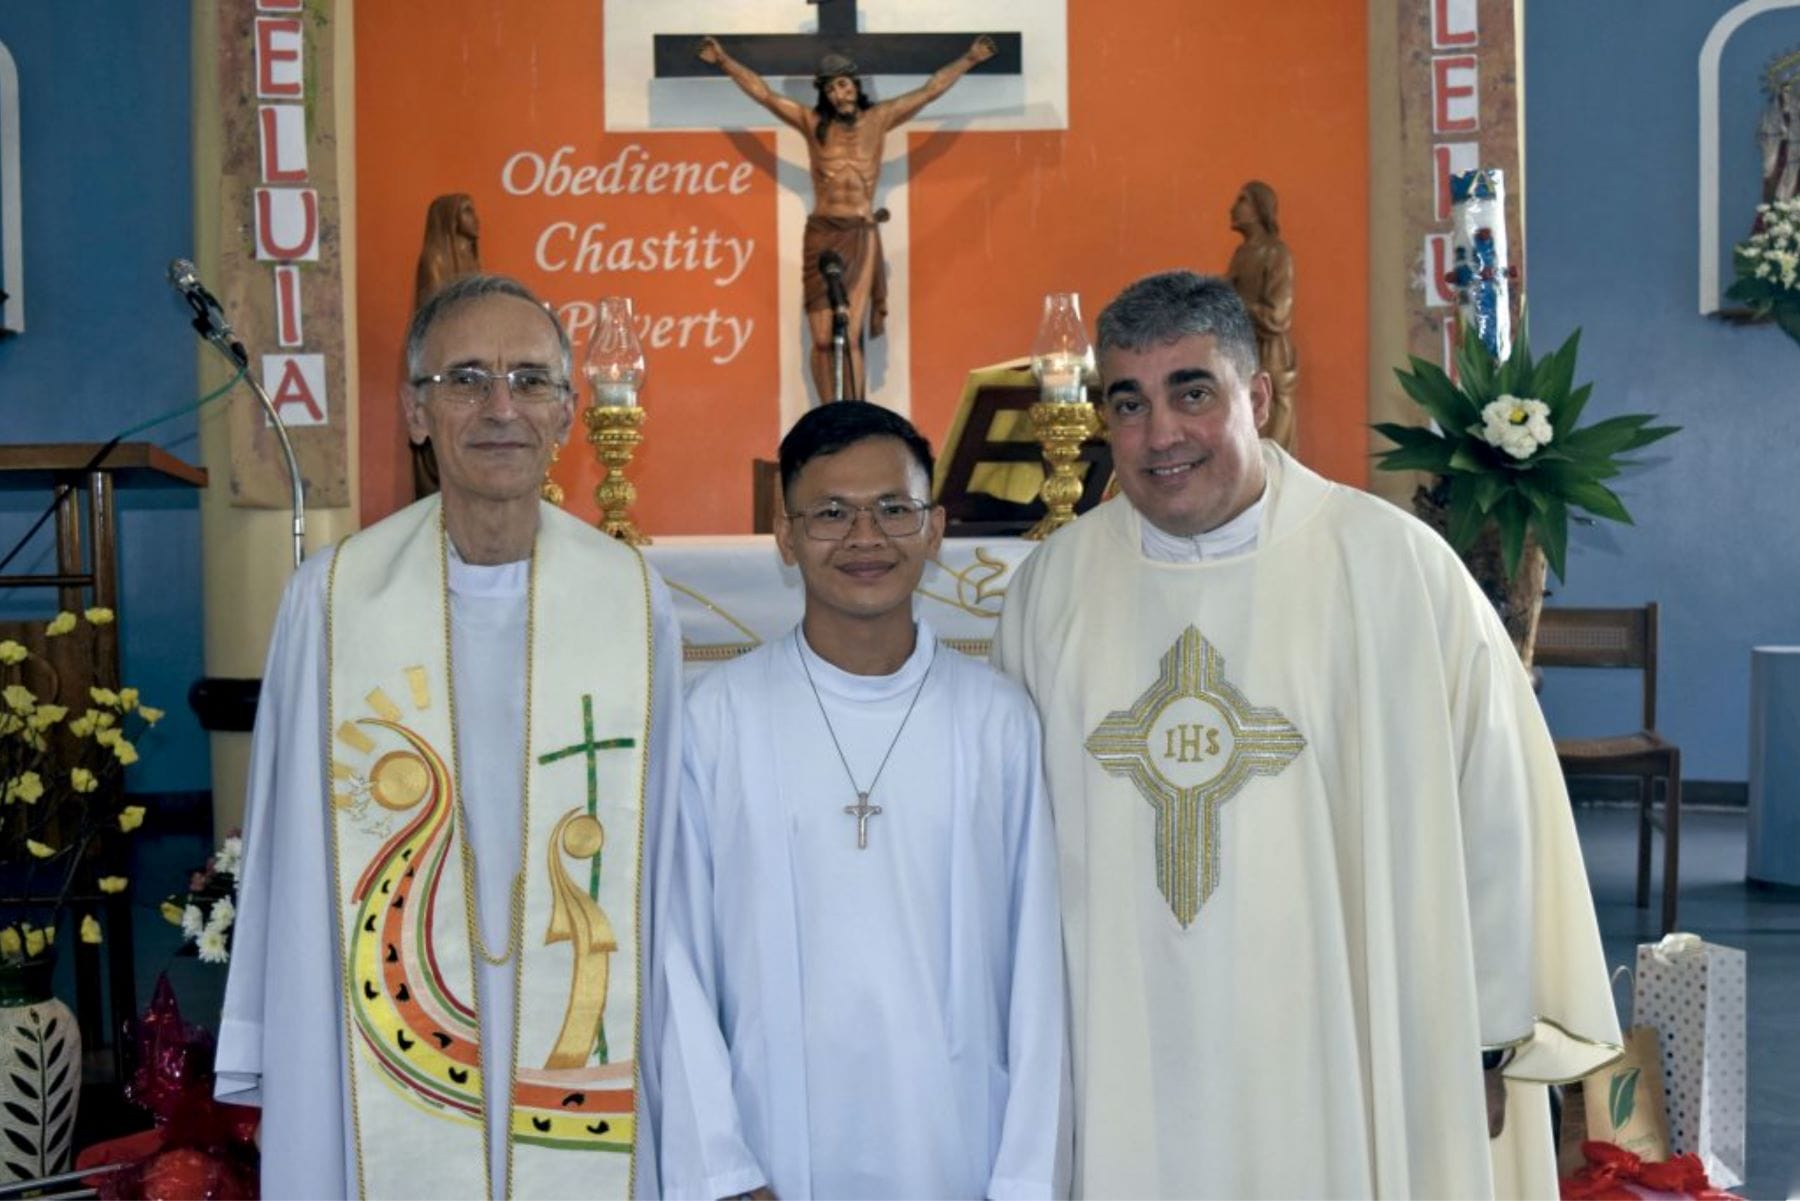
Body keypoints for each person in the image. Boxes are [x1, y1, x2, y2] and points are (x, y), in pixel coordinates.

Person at [992, 270, 1621, 1198]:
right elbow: (1005, 838)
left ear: (1258, 396)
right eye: (1129, 402)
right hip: (1119, 1037)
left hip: (1345, 1034)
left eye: (1192, 393)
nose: (1161, 434)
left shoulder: (1392, 569)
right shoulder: (1051, 590)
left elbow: (1493, 802)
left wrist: (1488, 1031)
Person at [216, 274, 683, 1200]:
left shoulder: (631, 600)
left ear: (568, 413)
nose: (500, 407)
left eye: (531, 380)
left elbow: (665, 849)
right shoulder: (333, 598)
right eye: (466, 378)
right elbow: (283, 842)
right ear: (416, 412)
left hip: (582, 1002)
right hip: (382, 1011)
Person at [658, 401, 1066, 1200]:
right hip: (770, 1146)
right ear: (785, 533)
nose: (865, 539)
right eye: (832, 513)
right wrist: (725, 1168)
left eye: (893, 509)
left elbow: (1040, 977)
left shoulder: (997, 722)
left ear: (935, 525)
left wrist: (1024, 1178)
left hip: (960, 1145)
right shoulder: (719, 719)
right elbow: (678, 963)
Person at [698, 35, 995, 403]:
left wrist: (969, 58)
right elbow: (764, 95)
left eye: (844, 84)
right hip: (822, 234)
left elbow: (930, 91)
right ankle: (828, 413)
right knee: (823, 339)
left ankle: (851, 414)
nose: (840, 94)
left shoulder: (880, 118)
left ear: (855, 84)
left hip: (859, 233)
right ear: (825, 95)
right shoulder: (811, 123)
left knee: (849, 335)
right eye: (832, 89)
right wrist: (724, 61)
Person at [410, 193, 484, 499]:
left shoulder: (472, 260)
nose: (475, 220)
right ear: (450, 217)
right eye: (468, 212)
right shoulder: (436, 260)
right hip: (446, 363)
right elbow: (435, 314)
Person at [1224, 181, 1297, 451]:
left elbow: (1279, 314)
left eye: (1242, 200)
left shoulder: (1277, 253)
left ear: (1260, 209)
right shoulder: (1241, 254)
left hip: (1270, 353)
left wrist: (1235, 303)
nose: (1233, 207)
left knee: (1272, 435)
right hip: (1243, 350)